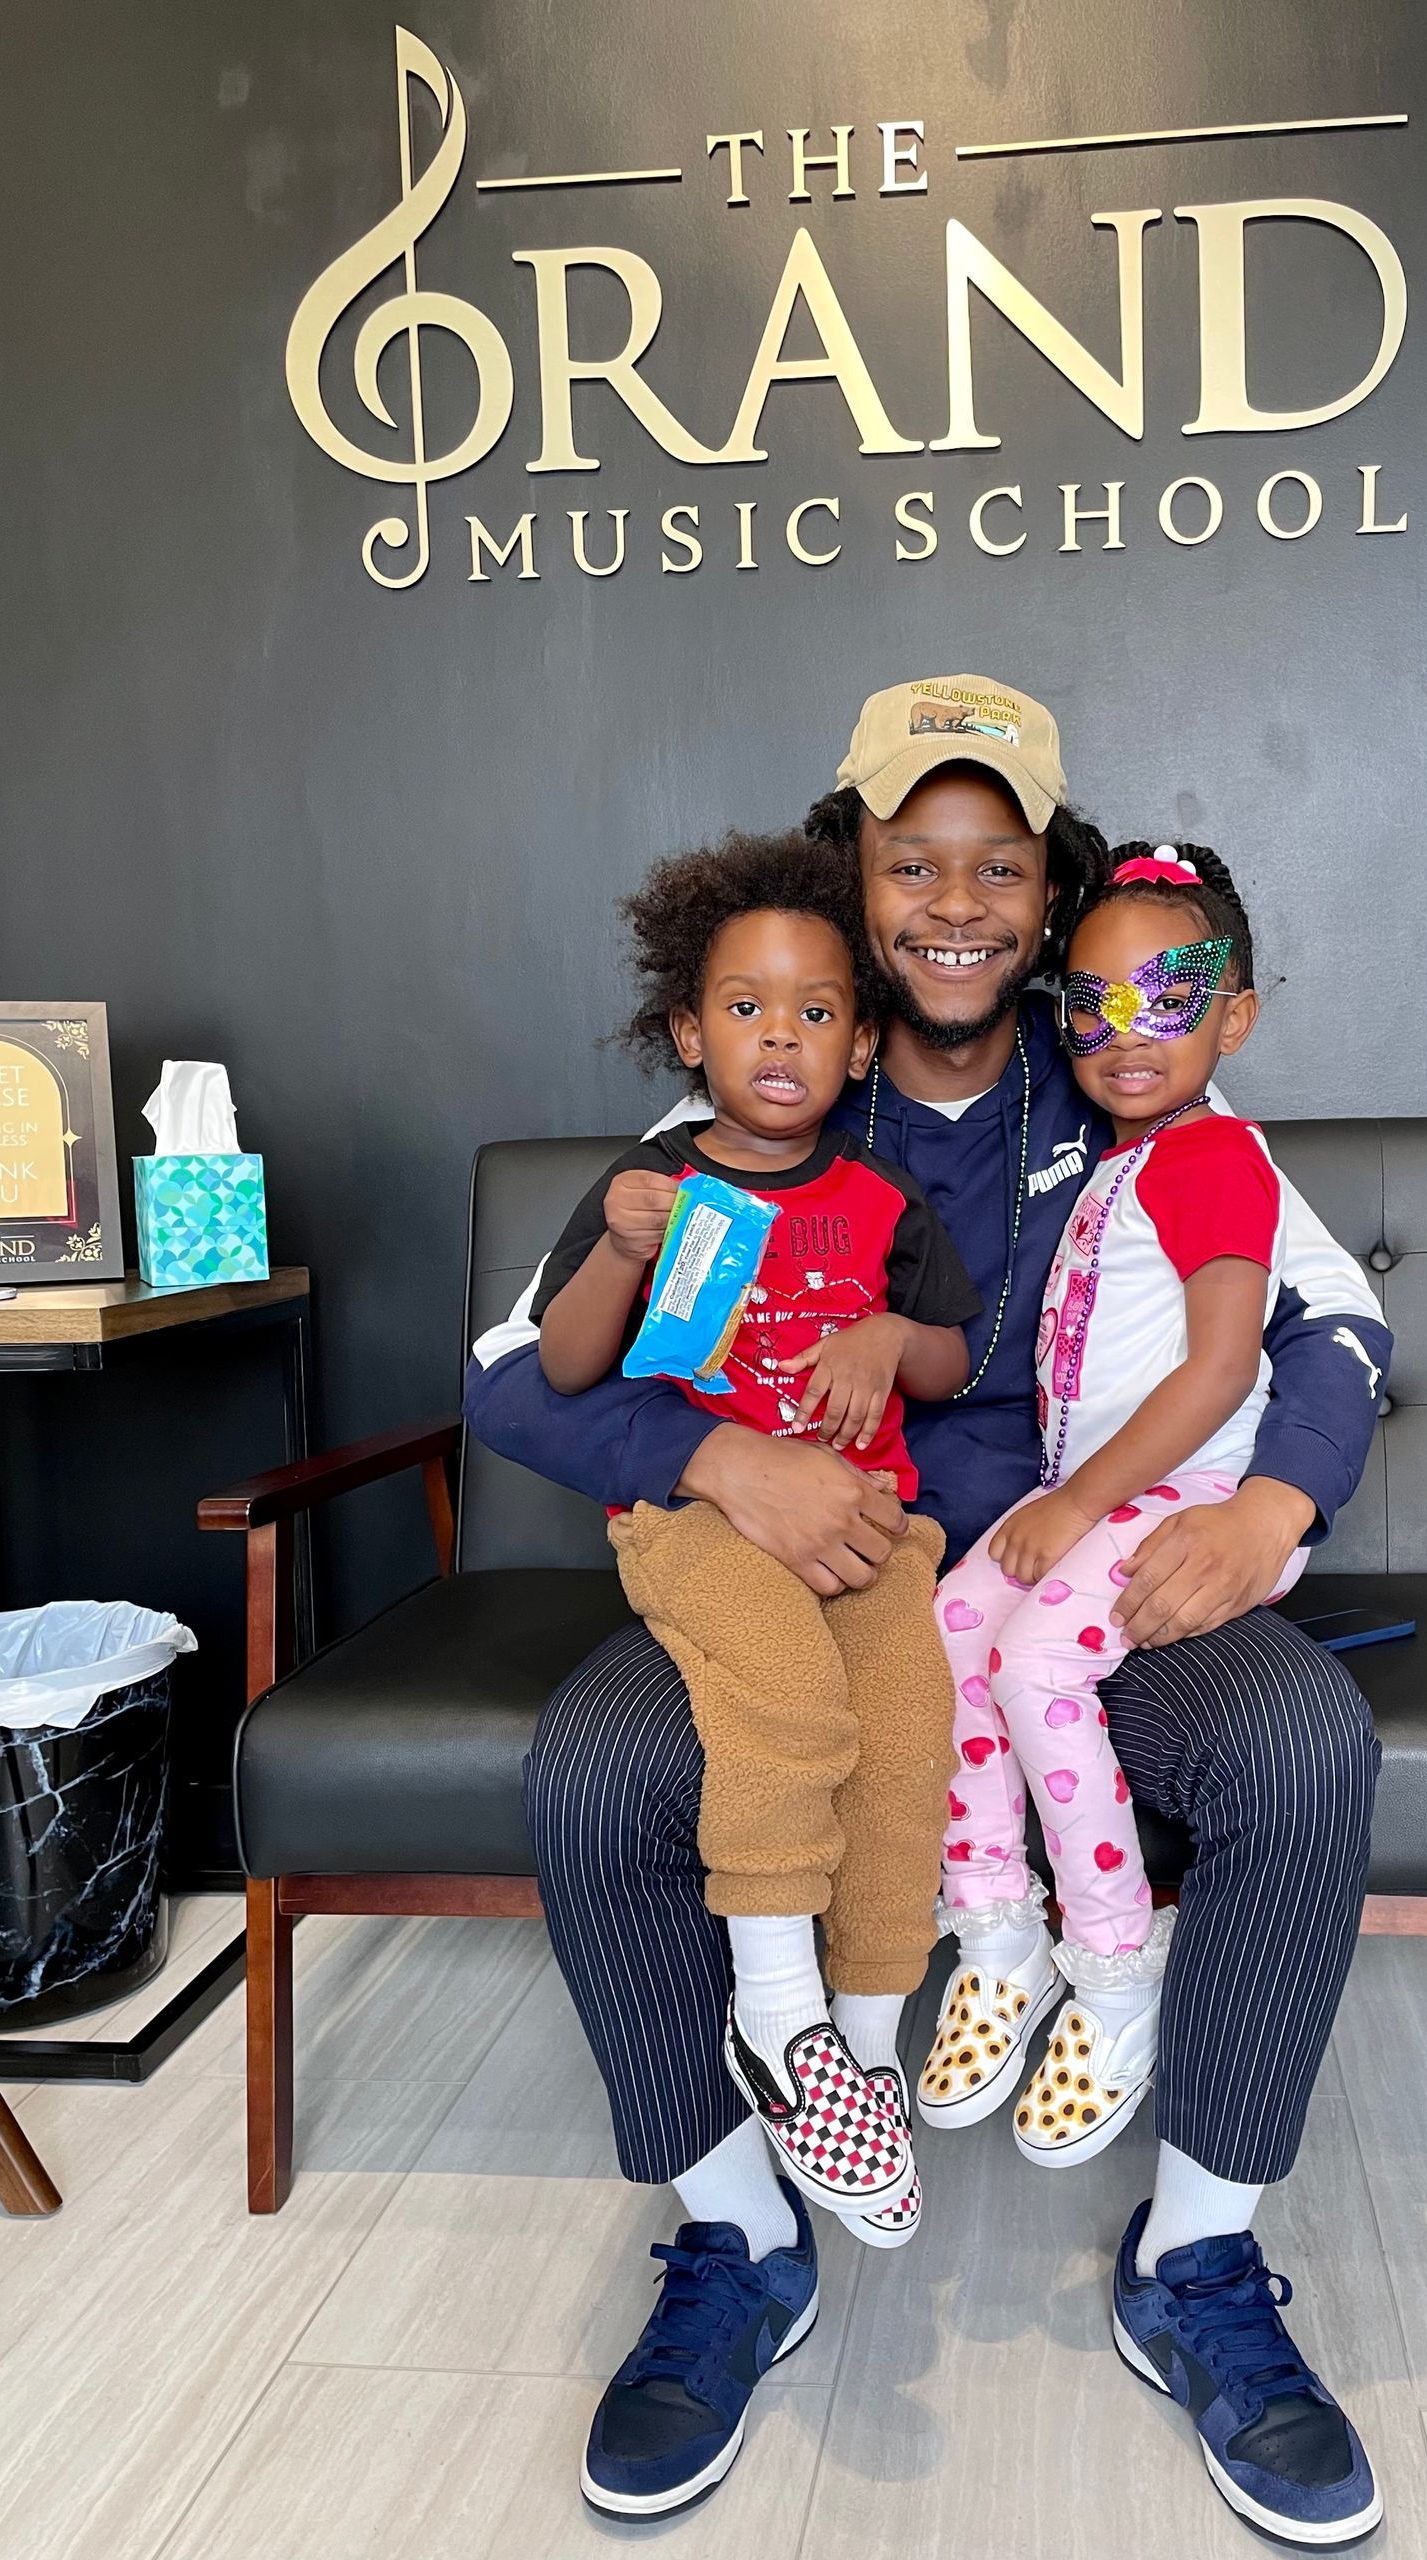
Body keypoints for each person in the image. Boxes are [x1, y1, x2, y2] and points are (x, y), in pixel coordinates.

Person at [465, 674, 1394, 2546]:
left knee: (1305, 1744)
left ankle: (1199, 2263)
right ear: (858, 877)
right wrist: (727, 1463)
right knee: (586, 1775)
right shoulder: (765, 1072)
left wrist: (1284, 1494)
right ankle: (738, 2232)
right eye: (910, 864)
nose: (952, 910)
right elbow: (506, 1371)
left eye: (995, 869)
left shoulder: (1143, 1072)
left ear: (1049, 897)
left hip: (1091, 1597)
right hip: (808, 1591)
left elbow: (1340, 1326)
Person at [531, 833, 980, 2242]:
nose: (778, 1035)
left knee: (910, 1734)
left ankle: (858, 2041)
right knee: (786, 1699)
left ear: (859, 1049)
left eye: (816, 1011)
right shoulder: (652, 1190)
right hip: (699, 1525)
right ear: (685, 1031)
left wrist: (893, 1334)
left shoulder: (886, 1206)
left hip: (869, 1528)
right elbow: (555, 1370)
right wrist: (617, 1245)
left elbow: (954, 1365)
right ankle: (776, 2021)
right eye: (743, 1008)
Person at [925, 841, 1308, 2175]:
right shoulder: (1128, 1161)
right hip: (1098, 1496)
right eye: (1090, 1003)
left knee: (1033, 1664)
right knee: (947, 1633)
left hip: (1175, 1497)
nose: (1126, 1034)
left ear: (1234, 1016)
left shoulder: (1213, 1158)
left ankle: (1112, 1965)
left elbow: (1218, 1368)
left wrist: (1074, 1500)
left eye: (1171, 997)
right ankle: (994, 1930)